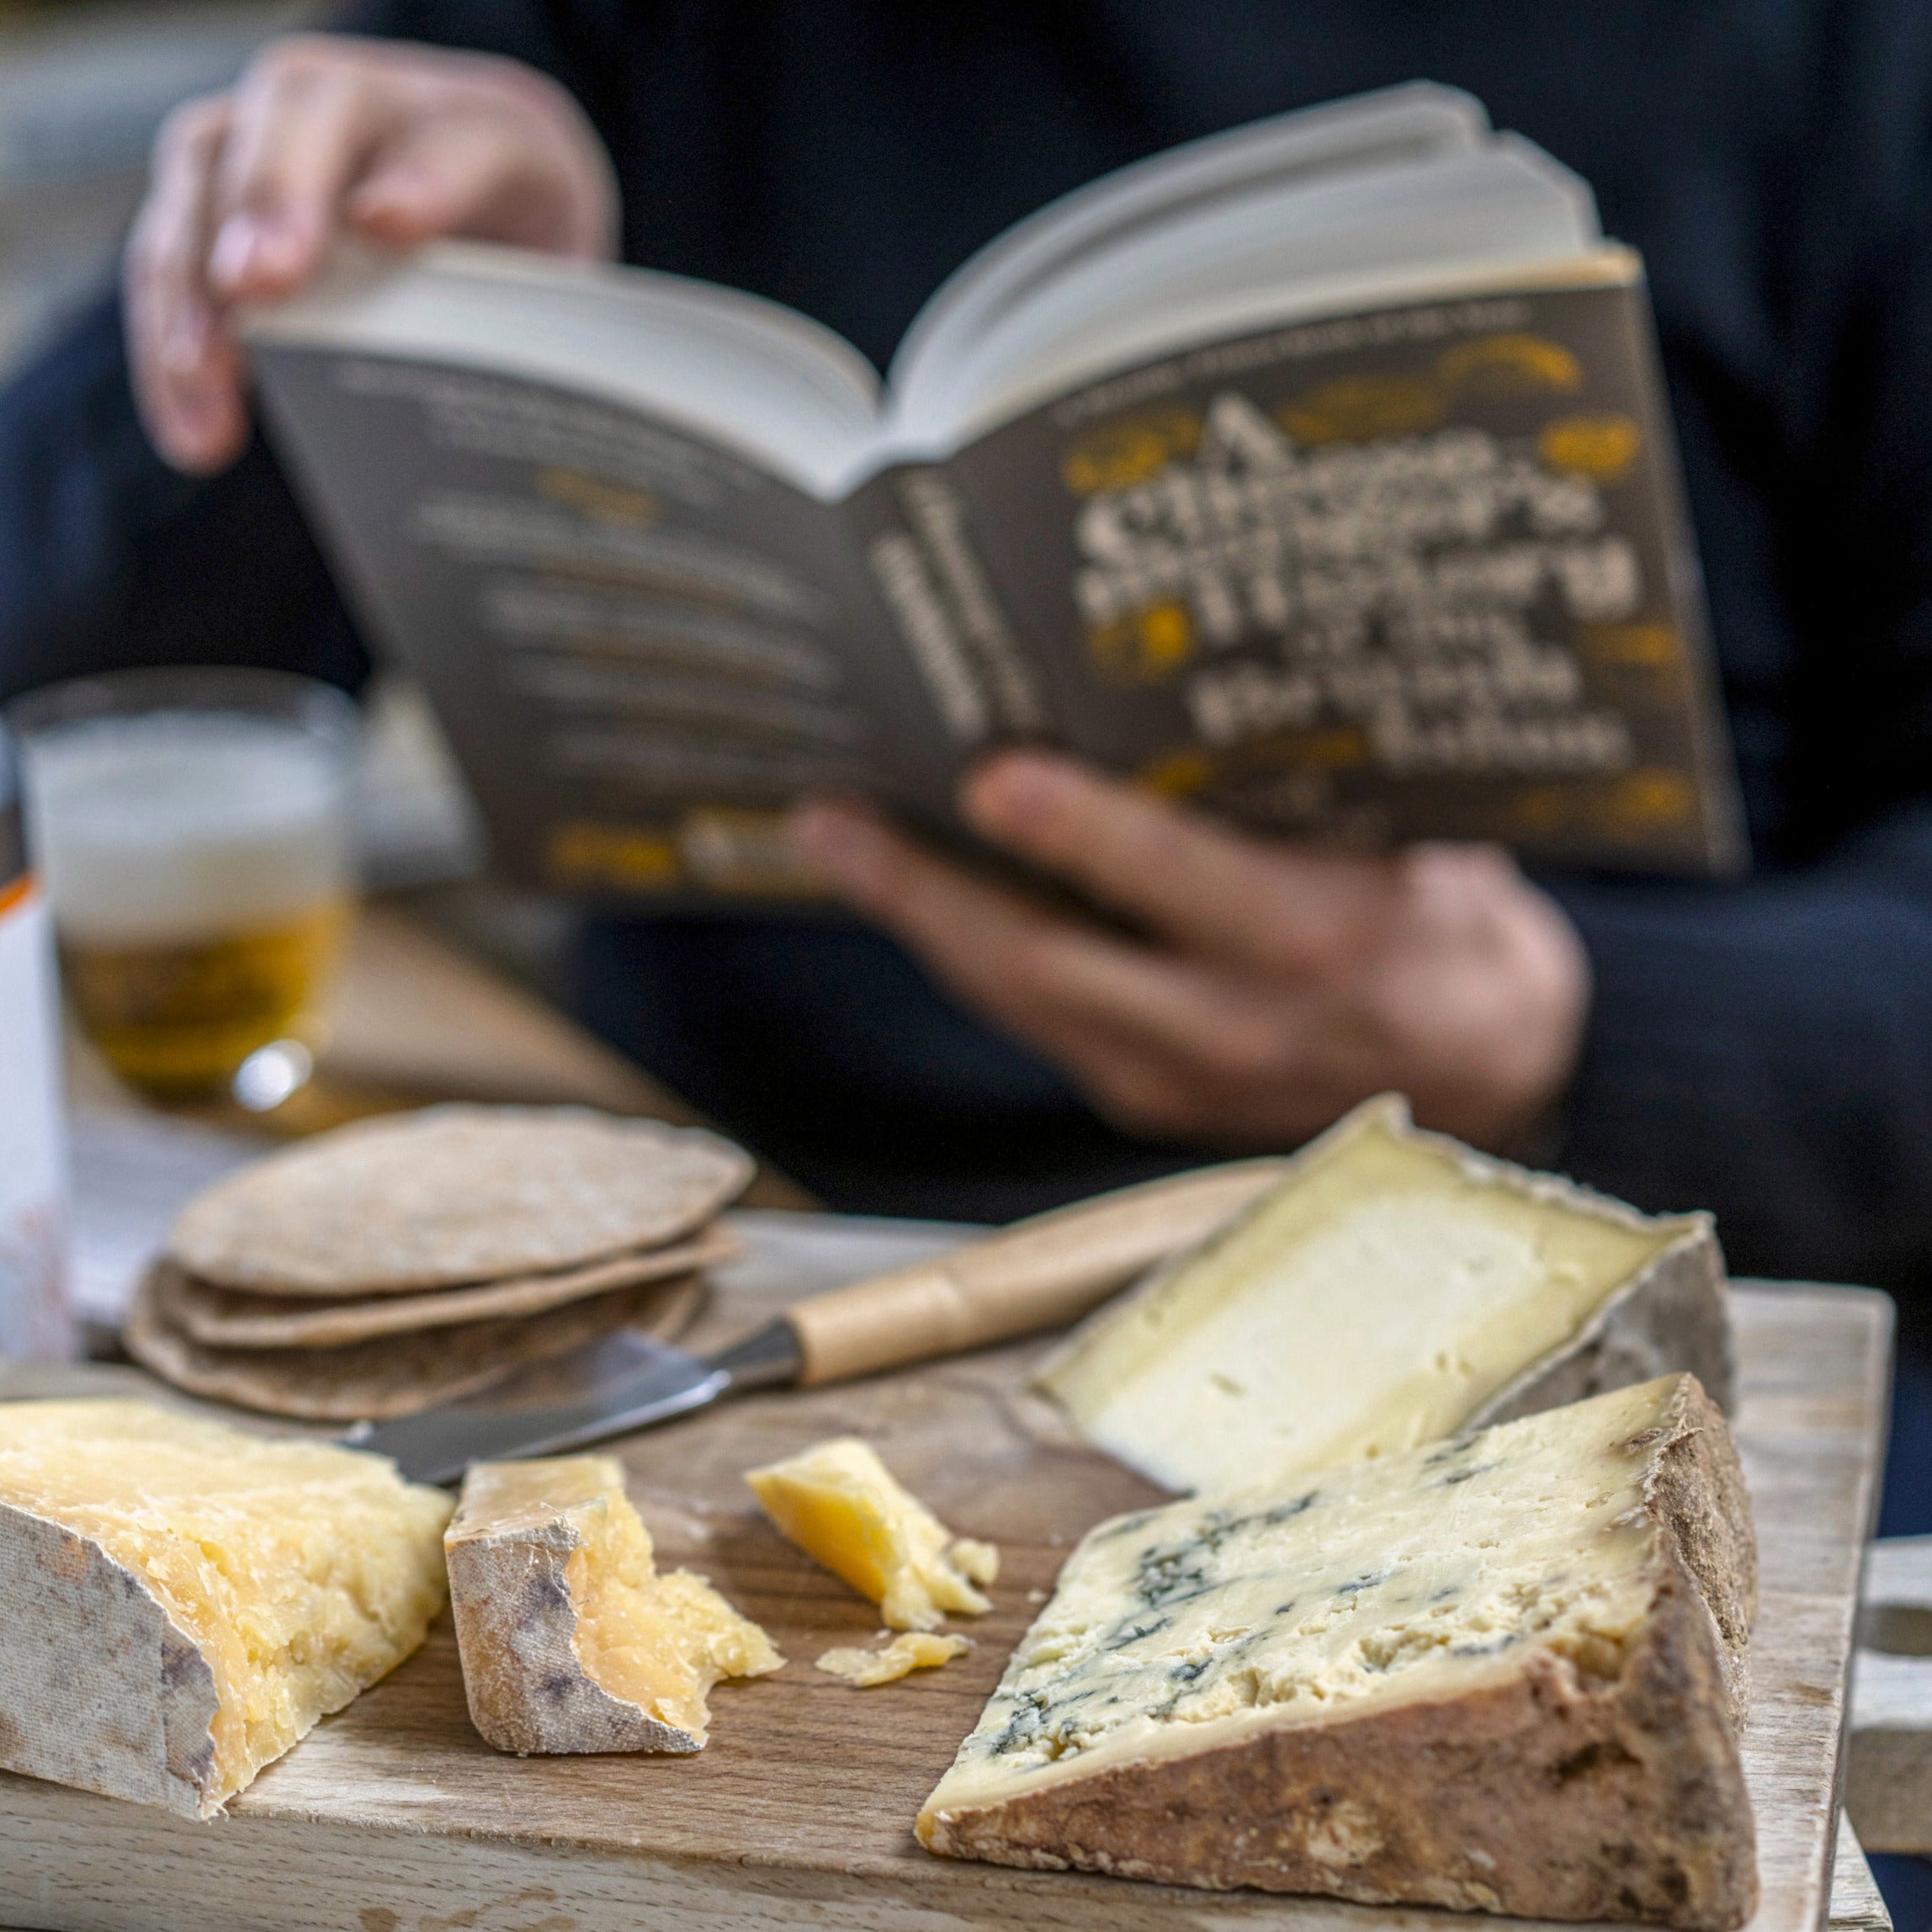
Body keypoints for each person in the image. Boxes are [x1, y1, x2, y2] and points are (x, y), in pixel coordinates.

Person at [5, 7, 1932, 1435]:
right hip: (707, 1299)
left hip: (1581, 1337)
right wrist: (336, 321)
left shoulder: (1830, 64)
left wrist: (1561, 1027)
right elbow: (51, 678)